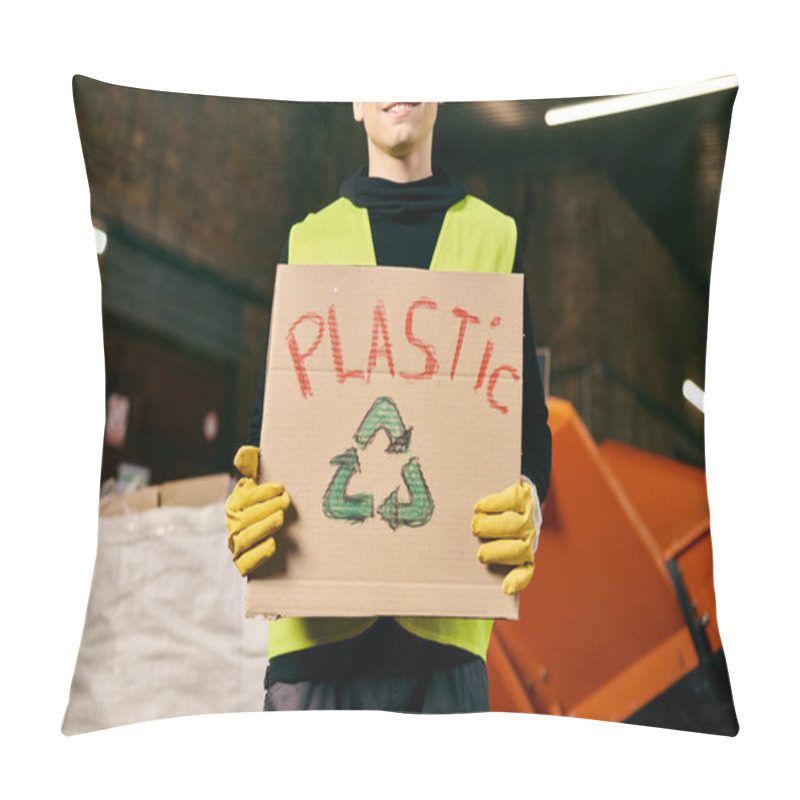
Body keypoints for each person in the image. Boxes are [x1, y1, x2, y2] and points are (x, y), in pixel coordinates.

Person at [225, 101, 552, 712]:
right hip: (314, 650)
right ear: (352, 100)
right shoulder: (309, 238)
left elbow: (529, 426)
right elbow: (266, 430)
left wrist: (529, 497)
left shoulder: (494, 237)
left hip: (445, 652)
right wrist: (241, 496)